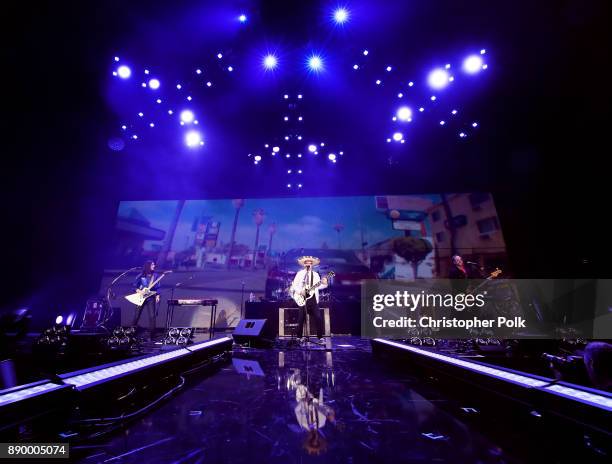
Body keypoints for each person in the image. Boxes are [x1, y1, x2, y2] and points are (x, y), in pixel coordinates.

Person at [291, 256, 328, 341]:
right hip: (303, 298)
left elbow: (318, 286)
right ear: (304, 264)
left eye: (310, 263)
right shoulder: (300, 273)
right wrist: (300, 291)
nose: (308, 264)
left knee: (318, 317)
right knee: (301, 318)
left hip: (313, 299)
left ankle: (320, 337)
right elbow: (294, 285)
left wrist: (325, 284)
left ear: (312, 265)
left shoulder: (315, 274)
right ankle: (299, 337)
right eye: (307, 263)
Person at [133, 260, 161, 340]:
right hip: (141, 297)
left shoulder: (155, 276)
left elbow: (158, 287)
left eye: (154, 264)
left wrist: (158, 295)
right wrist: (139, 291)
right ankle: (131, 332)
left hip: (150, 298)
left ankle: (152, 334)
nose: (154, 265)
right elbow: (134, 286)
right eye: (152, 264)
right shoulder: (141, 275)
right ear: (148, 266)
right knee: (136, 316)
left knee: (152, 316)